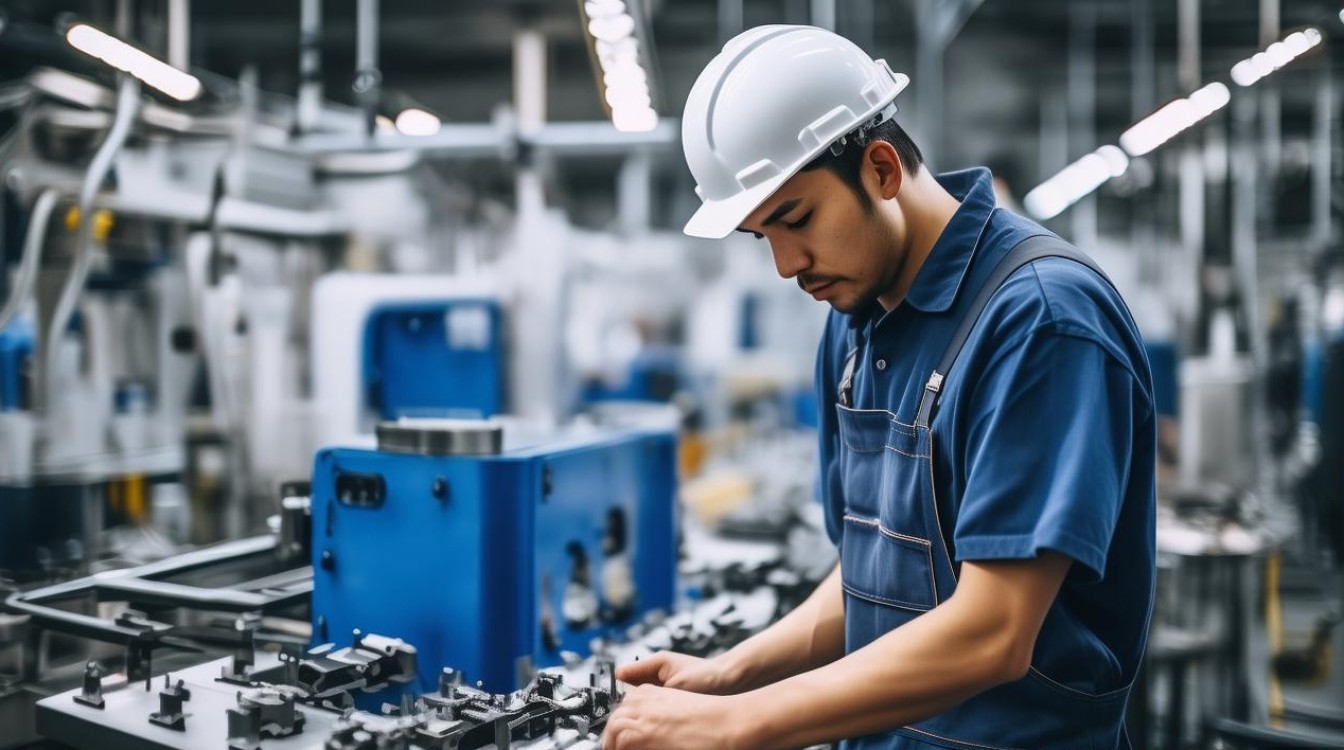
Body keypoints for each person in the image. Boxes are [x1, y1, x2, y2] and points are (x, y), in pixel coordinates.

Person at [602, 25, 1156, 750]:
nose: (785, 264)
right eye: (760, 235)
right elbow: (872, 576)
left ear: (883, 169)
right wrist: (728, 675)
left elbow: (993, 631)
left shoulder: (1039, 322)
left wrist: (734, 726)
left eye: (795, 219)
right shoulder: (856, 323)